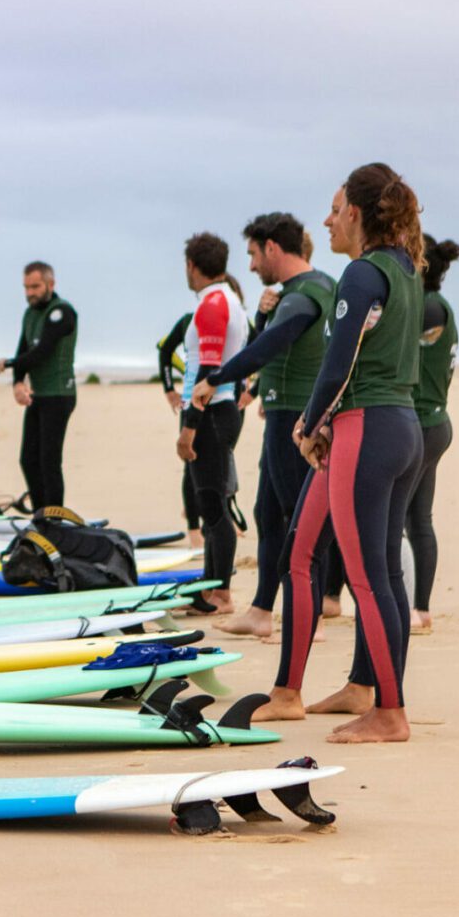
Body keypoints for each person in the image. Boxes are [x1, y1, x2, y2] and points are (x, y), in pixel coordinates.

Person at [260, 163, 426, 744]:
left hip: (366, 431)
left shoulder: (361, 273)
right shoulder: (407, 270)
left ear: (356, 212)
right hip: (397, 427)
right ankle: (295, 692)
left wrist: (309, 423)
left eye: (334, 209)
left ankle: (390, 712)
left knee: (367, 576)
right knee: (303, 553)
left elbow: (339, 362)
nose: (327, 220)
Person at [191, 213, 336, 638]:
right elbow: (264, 341)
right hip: (285, 410)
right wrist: (259, 316)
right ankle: (260, 610)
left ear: (273, 247)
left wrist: (215, 378)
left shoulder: (300, 295)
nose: (251, 266)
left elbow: (269, 347)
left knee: (299, 515)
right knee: (267, 512)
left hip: (293, 415)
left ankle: (310, 616)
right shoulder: (318, 286)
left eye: (253, 254)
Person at [175, 234, 248, 616]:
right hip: (219, 411)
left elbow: (207, 370)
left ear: (192, 265)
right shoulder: (229, 299)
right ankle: (211, 585)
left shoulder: (214, 304)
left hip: (213, 413)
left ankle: (221, 593)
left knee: (213, 506)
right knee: (210, 502)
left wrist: (189, 425)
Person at [407, 235, 459, 632]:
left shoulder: (428, 307)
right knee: (416, 519)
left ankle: (415, 608)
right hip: (431, 422)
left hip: (423, 423)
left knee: (403, 522)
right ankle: (420, 609)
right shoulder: (434, 306)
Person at [0, 262, 78, 509]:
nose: (30, 292)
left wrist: (8, 363)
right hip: (38, 395)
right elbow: (24, 350)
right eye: (26, 287)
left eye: (35, 286)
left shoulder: (62, 312)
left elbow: (42, 352)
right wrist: (18, 383)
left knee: (49, 461)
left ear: (50, 284)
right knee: (28, 460)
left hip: (59, 394)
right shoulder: (30, 313)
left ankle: (55, 520)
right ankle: (41, 515)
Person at [158, 313, 203, 548]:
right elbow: (165, 350)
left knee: (221, 463)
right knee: (191, 463)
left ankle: (211, 512)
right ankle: (194, 529)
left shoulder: (236, 318)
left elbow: (256, 351)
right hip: (190, 399)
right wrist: (169, 389)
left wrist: (252, 390)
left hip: (227, 401)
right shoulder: (189, 321)